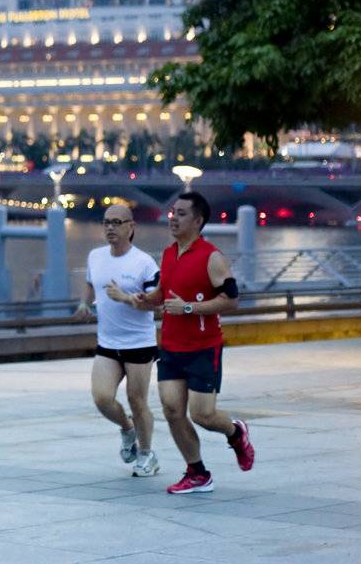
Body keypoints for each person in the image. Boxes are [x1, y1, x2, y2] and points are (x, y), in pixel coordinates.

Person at [107, 191, 255, 494]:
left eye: (182, 213)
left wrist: (189, 308)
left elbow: (232, 300)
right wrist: (140, 298)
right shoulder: (168, 253)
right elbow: (162, 296)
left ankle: (235, 433)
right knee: (172, 410)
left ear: (198, 220)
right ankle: (197, 472)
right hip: (172, 347)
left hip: (204, 348)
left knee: (203, 415)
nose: (173, 217)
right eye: (172, 212)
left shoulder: (212, 257)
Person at [76, 205, 160, 476]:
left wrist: (125, 298)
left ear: (130, 226)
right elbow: (92, 283)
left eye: (116, 222)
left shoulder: (144, 263)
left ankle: (147, 455)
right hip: (108, 343)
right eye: (106, 223)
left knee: (137, 401)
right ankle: (127, 429)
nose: (110, 228)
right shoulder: (96, 256)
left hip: (139, 343)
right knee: (101, 398)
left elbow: (155, 306)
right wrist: (84, 305)